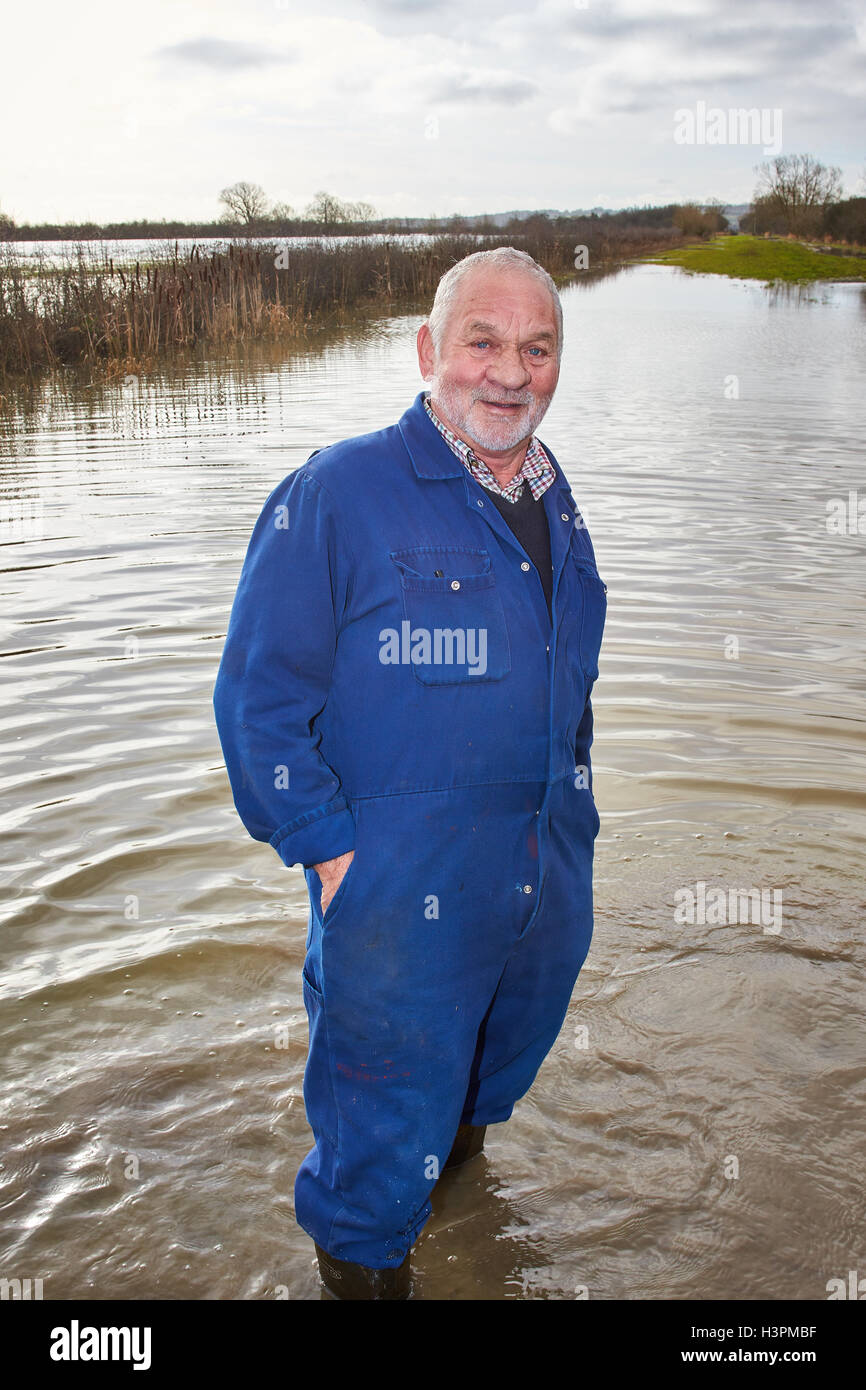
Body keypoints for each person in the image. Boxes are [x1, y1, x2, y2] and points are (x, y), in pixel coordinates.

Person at [212, 246, 607, 1300]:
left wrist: (575, 824)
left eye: (536, 348)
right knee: (377, 1159)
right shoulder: (339, 492)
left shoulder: (553, 498)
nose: (509, 373)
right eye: (482, 341)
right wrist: (334, 855)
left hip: (534, 880)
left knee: (480, 1089)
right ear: (430, 348)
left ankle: (467, 1236)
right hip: (396, 898)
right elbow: (257, 700)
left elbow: (567, 683)